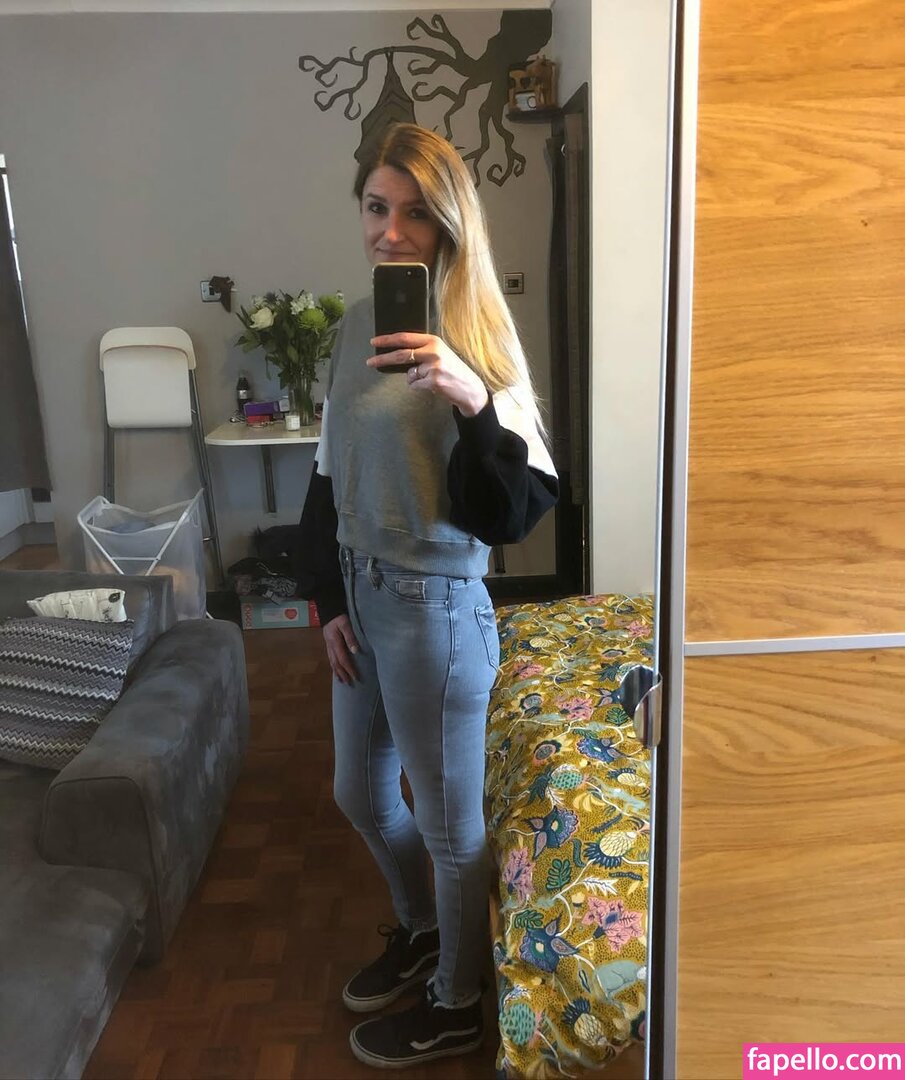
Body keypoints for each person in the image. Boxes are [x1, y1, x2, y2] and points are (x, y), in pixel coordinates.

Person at [295, 122, 558, 1070]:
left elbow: (515, 511)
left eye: (414, 214)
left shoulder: (480, 338)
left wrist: (470, 402)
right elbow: (326, 474)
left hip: (435, 607)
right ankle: (425, 931)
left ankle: (456, 1000)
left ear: (449, 225)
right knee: (358, 794)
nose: (390, 232)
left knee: (450, 829)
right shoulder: (347, 331)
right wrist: (325, 600)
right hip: (359, 593)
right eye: (377, 208)